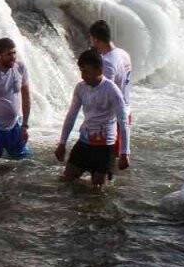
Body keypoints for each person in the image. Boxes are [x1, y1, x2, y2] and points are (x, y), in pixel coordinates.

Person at [54, 49, 130, 187]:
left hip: (105, 147)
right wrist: (62, 143)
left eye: (86, 72)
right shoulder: (80, 88)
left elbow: (123, 123)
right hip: (84, 143)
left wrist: (125, 153)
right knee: (66, 180)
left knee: (98, 190)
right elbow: (71, 116)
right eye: (81, 71)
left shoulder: (111, 90)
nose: (83, 76)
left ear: (99, 70)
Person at [90, 20, 133, 154]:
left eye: (91, 39)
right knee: (114, 161)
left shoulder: (107, 62)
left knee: (105, 163)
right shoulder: (124, 54)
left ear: (96, 39)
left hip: (112, 119)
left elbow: (105, 94)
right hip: (126, 111)